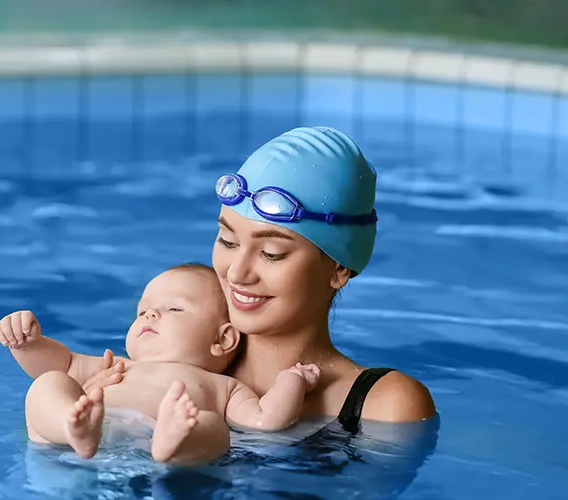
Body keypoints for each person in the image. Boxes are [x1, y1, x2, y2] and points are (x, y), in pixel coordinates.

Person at [84, 126, 436, 431]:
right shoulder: (165, 356)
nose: (237, 272)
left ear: (340, 269)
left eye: (272, 254)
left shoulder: (384, 406)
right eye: (227, 241)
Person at [0, 263, 320, 463]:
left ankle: (174, 444)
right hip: (94, 427)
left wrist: (292, 381)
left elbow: (266, 421)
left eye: (174, 309)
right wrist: (28, 343)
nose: (151, 314)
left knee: (213, 428)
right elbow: (58, 365)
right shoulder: (115, 367)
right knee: (48, 383)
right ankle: (71, 425)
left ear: (222, 340)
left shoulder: (225, 388)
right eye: (142, 311)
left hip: (160, 436)